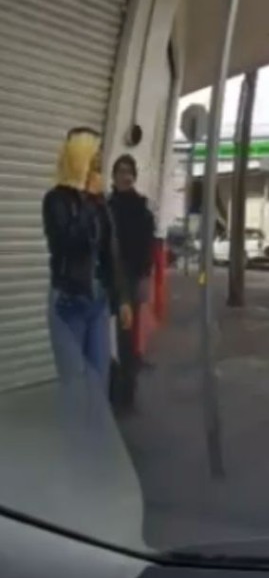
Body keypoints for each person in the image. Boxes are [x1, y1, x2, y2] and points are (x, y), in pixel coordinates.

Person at [42, 127, 133, 456]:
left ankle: (95, 447)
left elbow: (111, 251)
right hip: (68, 304)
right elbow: (68, 244)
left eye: (99, 162)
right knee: (75, 384)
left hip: (97, 303)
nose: (98, 168)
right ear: (78, 160)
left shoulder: (98, 201)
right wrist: (86, 201)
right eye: (93, 161)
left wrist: (122, 299)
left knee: (99, 378)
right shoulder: (55, 200)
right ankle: (73, 450)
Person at [107, 154, 156, 412]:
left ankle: (126, 393)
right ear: (114, 176)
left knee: (126, 338)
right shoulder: (106, 207)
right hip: (107, 278)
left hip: (130, 279)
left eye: (129, 172)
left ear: (134, 177)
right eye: (120, 171)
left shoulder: (141, 209)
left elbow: (147, 248)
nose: (124, 176)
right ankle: (109, 387)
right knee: (105, 337)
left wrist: (142, 277)